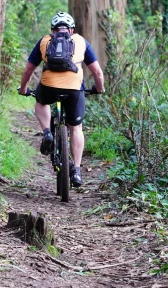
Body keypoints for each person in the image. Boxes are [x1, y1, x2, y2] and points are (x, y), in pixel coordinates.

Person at [18, 12, 105, 187]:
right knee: (76, 128)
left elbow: (28, 71)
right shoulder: (81, 41)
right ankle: (77, 171)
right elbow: (97, 72)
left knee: (41, 101)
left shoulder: (45, 41)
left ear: (52, 30)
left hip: (49, 86)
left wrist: (23, 89)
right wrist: (99, 88)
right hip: (74, 89)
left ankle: (47, 133)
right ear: (72, 29)